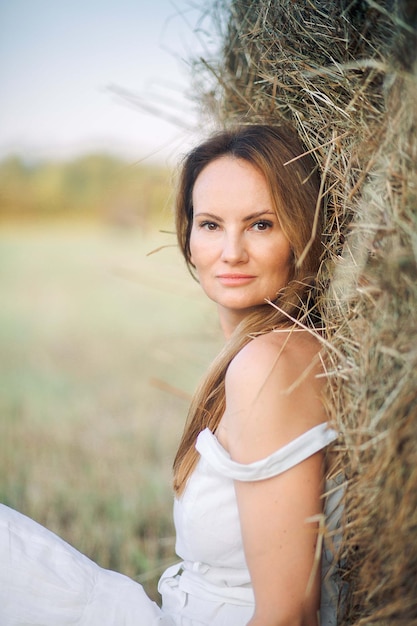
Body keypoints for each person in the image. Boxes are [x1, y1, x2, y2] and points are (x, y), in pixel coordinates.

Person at [0, 124, 340, 626]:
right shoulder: (259, 353)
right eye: (210, 225)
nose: (231, 252)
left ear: (302, 232)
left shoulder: (269, 363)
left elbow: (289, 616)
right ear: (188, 236)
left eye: (261, 224)